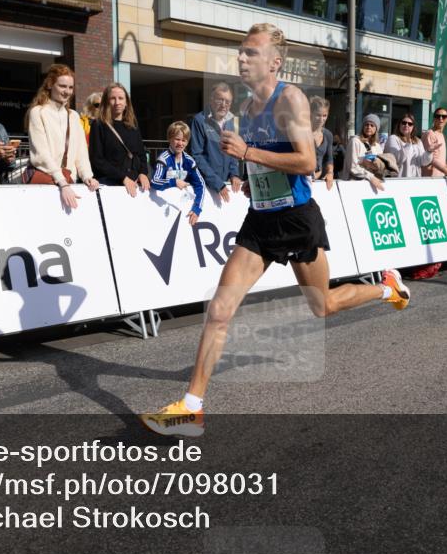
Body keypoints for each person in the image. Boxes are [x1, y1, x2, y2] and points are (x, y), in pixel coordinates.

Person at [140, 23, 410, 437]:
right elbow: (262, 161)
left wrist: (249, 153)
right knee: (220, 307)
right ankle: (190, 408)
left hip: (297, 219)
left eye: (251, 52)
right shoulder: (247, 111)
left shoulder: (291, 99)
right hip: (261, 220)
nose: (242, 58)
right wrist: (247, 173)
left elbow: (306, 163)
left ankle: (388, 288)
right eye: (240, 52)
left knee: (323, 307)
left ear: (275, 62)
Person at [25, 64, 99, 208]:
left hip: (69, 183)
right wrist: (62, 182)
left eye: (70, 87)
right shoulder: (38, 112)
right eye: (62, 86)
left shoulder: (74, 116)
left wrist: (87, 176)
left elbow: (81, 153)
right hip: (49, 183)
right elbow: (41, 154)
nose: (67, 91)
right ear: (50, 84)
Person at [89, 82, 149, 197]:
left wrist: (143, 173)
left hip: (135, 184)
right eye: (113, 98)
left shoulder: (133, 125)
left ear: (126, 102)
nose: (117, 102)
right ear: (106, 102)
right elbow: (97, 160)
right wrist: (123, 178)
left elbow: (141, 154)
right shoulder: (98, 125)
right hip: (110, 186)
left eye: (121, 98)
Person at [189, 82, 243, 202]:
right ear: (211, 99)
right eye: (220, 100)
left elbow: (233, 152)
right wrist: (216, 182)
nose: (224, 105)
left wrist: (234, 174)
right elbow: (197, 155)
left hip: (225, 186)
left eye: (228, 101)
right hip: (205, 186)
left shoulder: (232, 121)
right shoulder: (199, 120)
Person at [150, 121, 205, 225]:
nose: (180, 143)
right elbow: (154, 181)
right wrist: (174, 182)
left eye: (184, 140)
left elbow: (200, 184)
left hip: (185, 212)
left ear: (187, 142)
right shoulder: (164, 159)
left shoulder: (189, 161)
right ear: (170, 139)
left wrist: (197, 208)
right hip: (162, 213)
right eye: (177, 139)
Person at [343, 114, 387, 191]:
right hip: (354, 184)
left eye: (372, 125)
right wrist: (369, 175)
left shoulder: (377, 146)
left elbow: (380, 166)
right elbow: (352, 167)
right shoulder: (355, 141)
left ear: (376, 129)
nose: (369, 127)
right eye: (366, 124)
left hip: (371, 185)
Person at [384, 113, 432, 178]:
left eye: (410, 124)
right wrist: (408, 144)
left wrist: (429, 151)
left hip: (415, 180)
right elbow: (397, 160)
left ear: (413, 127)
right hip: (399, 180)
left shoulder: (418, 141)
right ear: (399, 125)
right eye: (404, 123)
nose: (406, 125)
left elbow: (423, 162)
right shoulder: (393, 138)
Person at [309, 96, 335, 189]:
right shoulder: (301, 133)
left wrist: (330, 173)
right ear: (310, 113)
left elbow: (329, 158)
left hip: (320, 182)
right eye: (318, 115)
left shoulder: (328, 135)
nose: (321, 119)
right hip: (302, 180)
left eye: (324, 115)